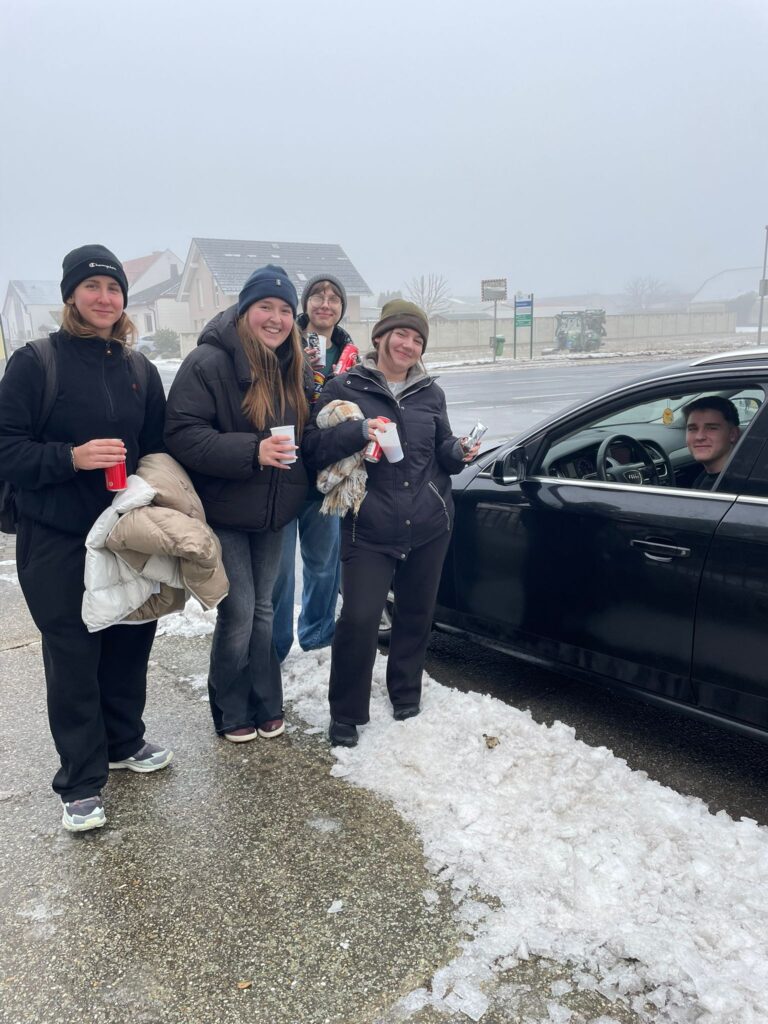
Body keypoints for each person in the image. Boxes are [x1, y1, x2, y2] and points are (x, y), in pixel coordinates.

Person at [0, 244, 172, 833]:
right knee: (73, 653)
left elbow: (156, 450)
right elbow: (7, 450)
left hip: (125, 532)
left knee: (130, 637)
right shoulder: (34, 362)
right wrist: (70, 458)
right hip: (56, 536)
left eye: (114, 289)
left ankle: (125, 740)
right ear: (71, 295)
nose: (104, 298)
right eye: (93, 287)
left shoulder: (138, 370)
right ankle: (80, 780)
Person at [302, 299, 480, 748]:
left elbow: (441, 451)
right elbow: (314, 448)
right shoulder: (347, 386)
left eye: (417, 339)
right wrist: (359, 431)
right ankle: (346, 713)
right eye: (401, 334)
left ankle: (406, 693)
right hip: (369, 524)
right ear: (380, 337)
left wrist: (459, 452)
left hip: (428, 521)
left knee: (416, 615)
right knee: (360, 619)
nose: (408, 344)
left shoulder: (430, 393)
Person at [164, 265, 313, 743]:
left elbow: (310, 436)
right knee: (240, 609)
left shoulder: (295, 365)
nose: (276, 318)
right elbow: (182, 435)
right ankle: (229, 704)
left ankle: (266, 700)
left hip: (274, 513)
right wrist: (253, 451)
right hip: (225, 509)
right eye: (265, 307)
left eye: (285, 310)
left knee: (267, 608)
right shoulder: (208, 362)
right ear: (245, 310)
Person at [272, 274, 357, 662]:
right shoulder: (282, 342)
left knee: (324, 565)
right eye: (318, 297)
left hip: (327, 475)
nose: (326, 303)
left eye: (334, 298)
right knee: (280, 572)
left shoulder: (350, 354)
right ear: (305, 304)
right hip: (284, 471)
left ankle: (318, 637)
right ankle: (273, 646)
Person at [683, 396, 740, 490]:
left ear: (733, 434)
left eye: (712, 428)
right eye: (692, 429)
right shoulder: (704, 476)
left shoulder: (743, 486)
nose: (699, 437)